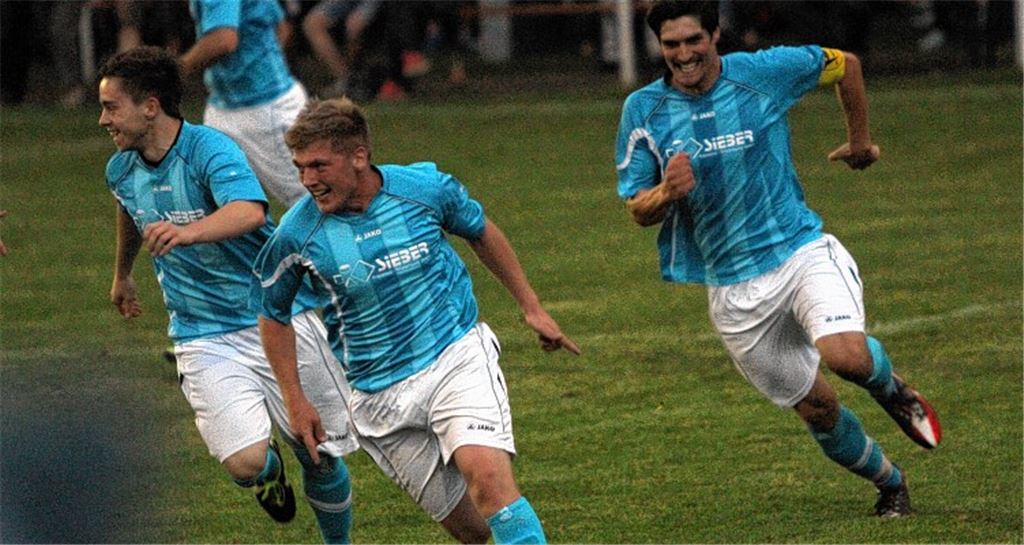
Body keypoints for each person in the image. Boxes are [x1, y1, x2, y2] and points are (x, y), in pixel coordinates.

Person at [615, 0, 942, 518]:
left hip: (798, 251)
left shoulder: (762, 72)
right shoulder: (643, 110)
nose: (683, 54)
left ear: (715, 35)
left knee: (846, 358)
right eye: (672, 44)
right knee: (819, 408)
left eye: (693, 40)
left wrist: (860, 143)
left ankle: (891, 389)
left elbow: (845, 65)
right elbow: (636, 206)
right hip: (731, 289)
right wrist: (664, 193)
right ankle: (891, 482)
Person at [254, 97, 580, 543]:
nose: (307, 180)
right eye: (299, 167)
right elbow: (273, 313)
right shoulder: (296, 233)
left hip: (455, 356)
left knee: (489, 483)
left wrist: (532, 306)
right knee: (476, 530)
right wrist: (295, 399)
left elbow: (480, 229)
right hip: (377, 396)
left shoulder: (423, 188)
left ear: (359, 156)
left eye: (318, 166)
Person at [97, 46, 359, 543]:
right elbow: (131, 211)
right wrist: (122, 273)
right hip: (201, 330)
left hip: (279, 315)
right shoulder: (121, 168)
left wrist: (188, 232)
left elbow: (249, 212)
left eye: (112, 107)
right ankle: (266, 474)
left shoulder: (209, 150)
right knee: (244, 462)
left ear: (150, 106)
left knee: (319, 451)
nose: (102, 119)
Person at [180, 0, 308, 207]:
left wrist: (172, 71)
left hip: (263, 110)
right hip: (227, 107)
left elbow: (223, 40)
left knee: (312, 202)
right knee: (216, 204)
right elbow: (281, 26)